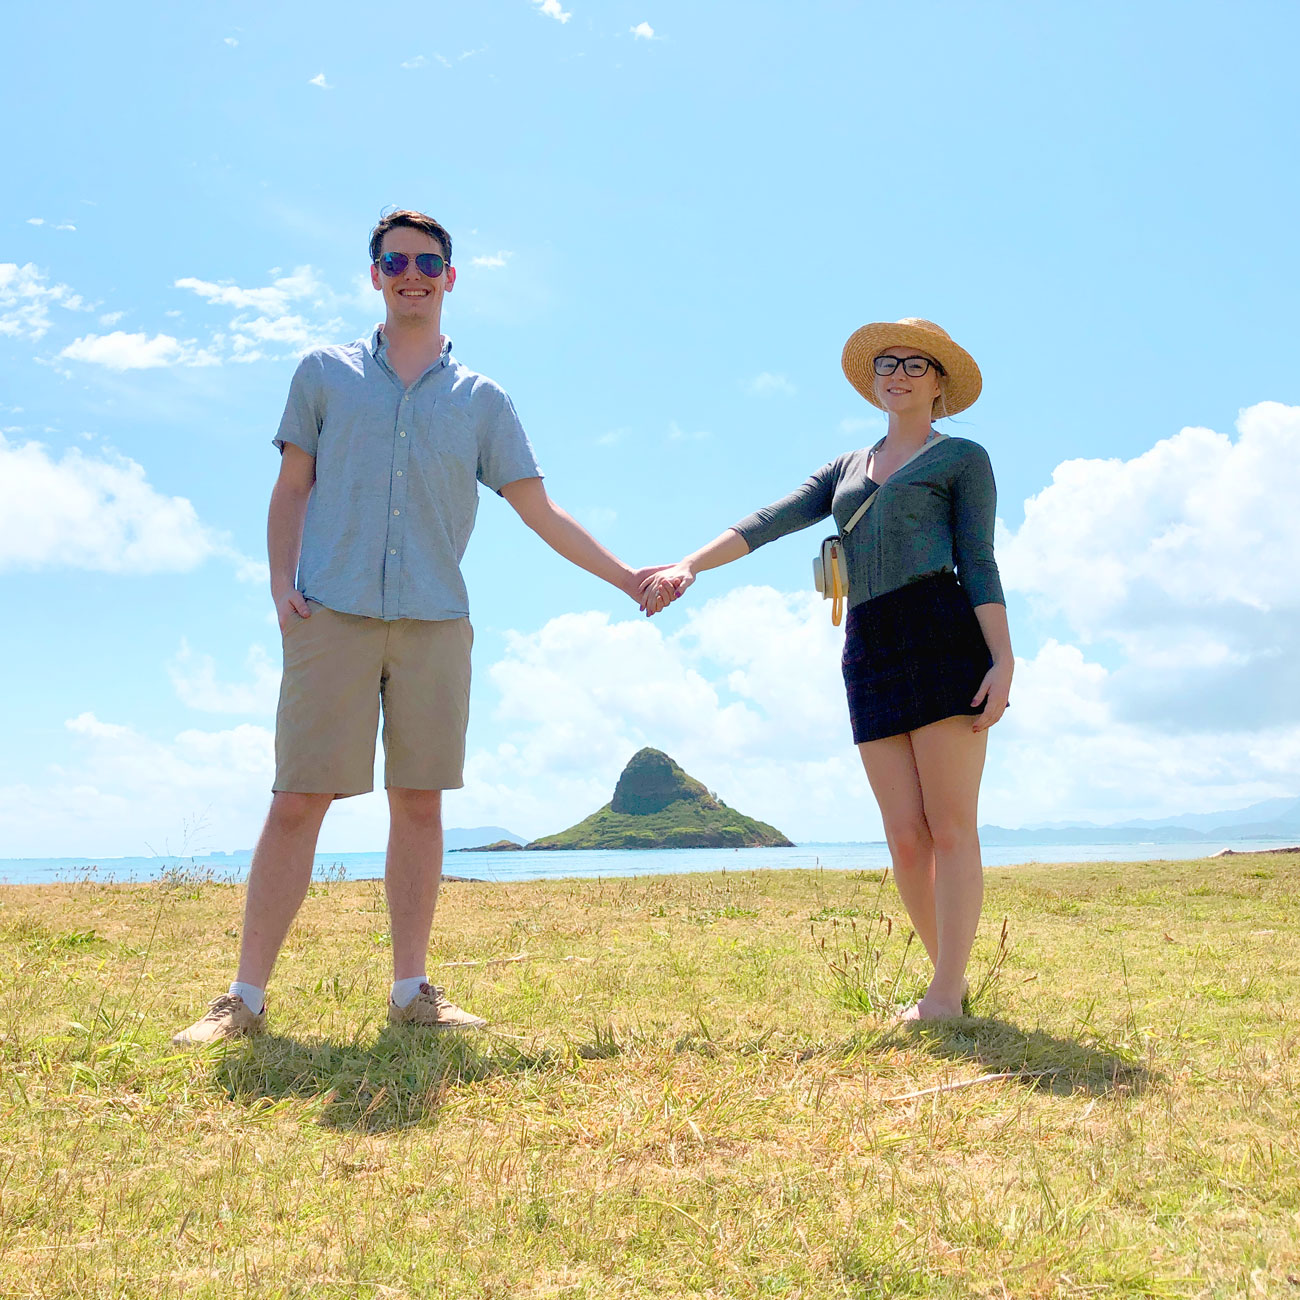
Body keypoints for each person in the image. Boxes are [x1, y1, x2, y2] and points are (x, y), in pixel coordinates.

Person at [174, 209, 669, 1044]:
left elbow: (537, 509)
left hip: (437, 619)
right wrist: (279, 587)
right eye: (395, 260)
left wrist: (626, 578)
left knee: (420, 803)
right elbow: (291, 487)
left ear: (450, 277)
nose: (413, 273)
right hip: (331, 613)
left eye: (428, 262)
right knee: (297, 800)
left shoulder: (484, 400)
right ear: (374, 274)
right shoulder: (323, 374)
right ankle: (243, 1003)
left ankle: (412, 993)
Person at [642, 319, 1013, 1021]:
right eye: (885, 363)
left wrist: (1003, 658)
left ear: (939, 384)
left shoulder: (962, 458)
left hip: (942, 629)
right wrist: (689, 563)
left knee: (951, 825)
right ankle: (950, 985)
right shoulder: (845, 469)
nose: (896, 373)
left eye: (914, 364)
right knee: (904, 834)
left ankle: (943, 995)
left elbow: (980, 560)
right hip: (868, 639)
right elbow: (770, 518)